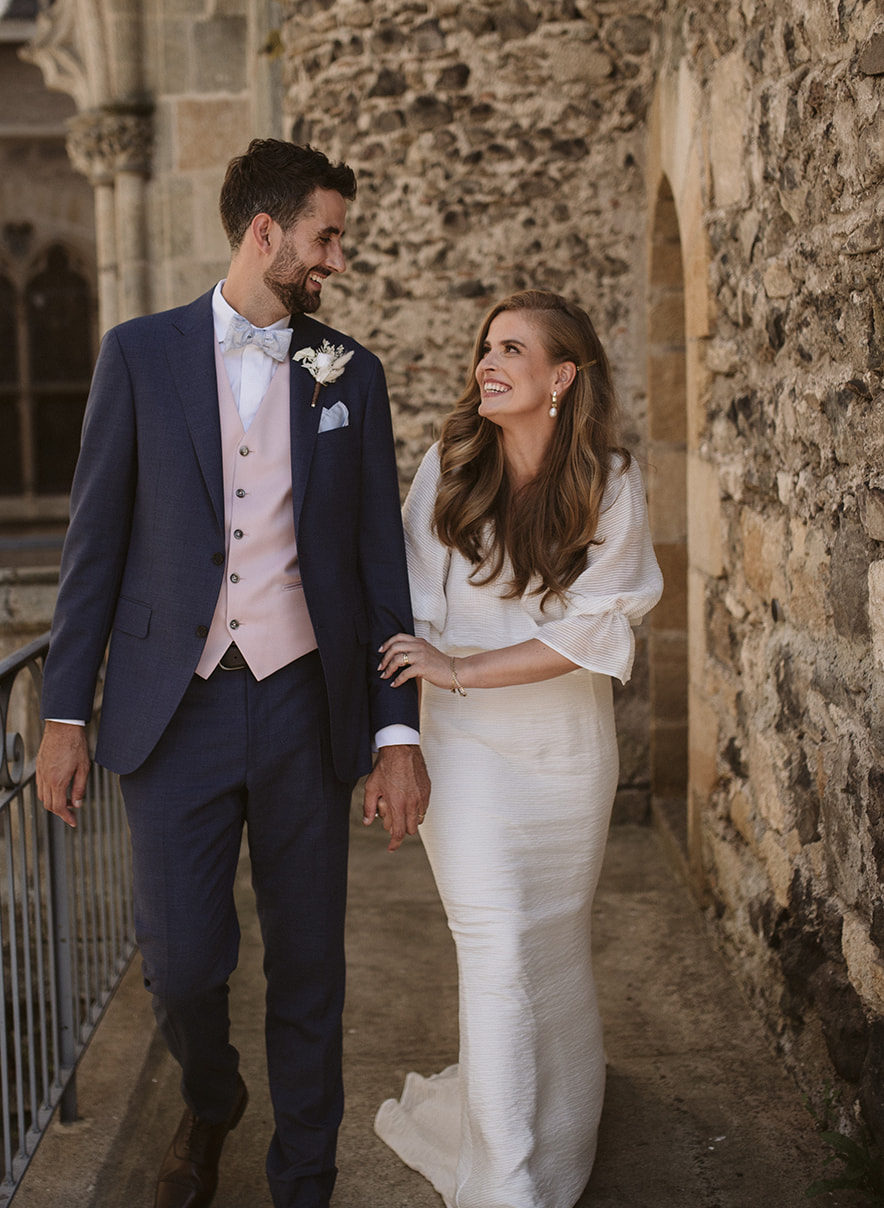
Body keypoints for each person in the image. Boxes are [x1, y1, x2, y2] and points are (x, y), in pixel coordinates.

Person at [35, 137, 430, 1208]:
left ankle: (303, 1180)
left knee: (309, 970)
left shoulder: (352, 371)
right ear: (267, 234)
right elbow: (94, 548)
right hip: (178, 707)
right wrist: (64, 711)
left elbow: (378, 570)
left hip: (307, 704)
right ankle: (212, 1098)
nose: (336, 260)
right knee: (180, 965)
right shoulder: (138, 355)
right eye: (326, 237)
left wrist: (399, 733)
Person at [373, 289, 662, 1208]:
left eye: (510, 349)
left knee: (549, 944)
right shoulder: (449, 469)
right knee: (495, 946)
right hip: (466, 758)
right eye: (484, 347)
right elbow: (409, 611)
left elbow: (593, 632)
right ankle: (506, 1186)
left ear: (561, 376)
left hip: (567, 755)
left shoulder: (609, 481)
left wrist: (458, 665)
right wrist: (412, 721)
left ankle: (561, 1130)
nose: (486, 363)